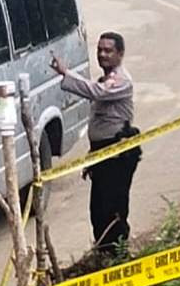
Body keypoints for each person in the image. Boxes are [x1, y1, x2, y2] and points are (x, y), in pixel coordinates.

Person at [50, 32, 141, 255]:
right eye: (99, 50)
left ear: (120, 54)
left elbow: (96, 92)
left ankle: (117, 255)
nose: (102, 54)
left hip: (117, 153)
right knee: (98, 209)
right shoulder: (106, 78)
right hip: (103, 152)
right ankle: (104, 253)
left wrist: (66, 73)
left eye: (108, 50)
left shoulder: (120, 81)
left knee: (113, 209)